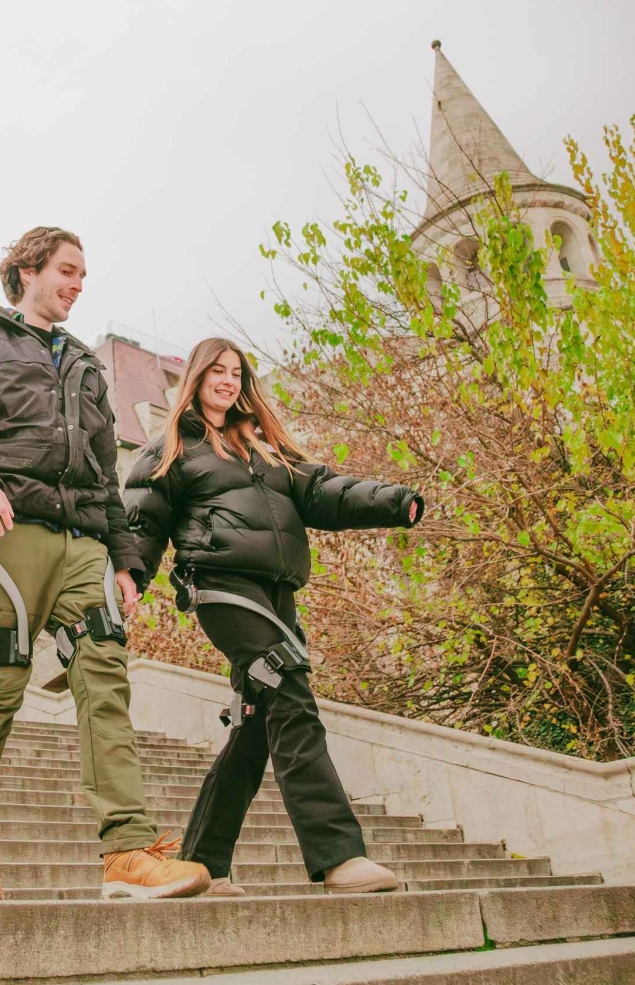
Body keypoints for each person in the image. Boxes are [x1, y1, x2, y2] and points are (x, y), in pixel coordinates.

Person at [0, 225, 210, 902]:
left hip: (83, 541)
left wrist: (126, 560)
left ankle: (129, 851)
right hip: (4, 527)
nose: (79, 284)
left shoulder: (82, 363)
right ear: (27, 269)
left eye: (84, 275)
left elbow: (104, 476)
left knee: (105, 675)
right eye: (68, 271)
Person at [124, 337, 425, 896]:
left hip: (278, 594)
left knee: (257, 723)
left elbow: (324, 491)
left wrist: (391, 500)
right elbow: (141, 519)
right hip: (221, 588)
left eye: (236, 372)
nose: (227, 381)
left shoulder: (265, 449)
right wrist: (128, 576)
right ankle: (340, 855)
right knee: (289, 692)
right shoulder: (173, 448)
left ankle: (204, 864)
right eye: (216, 371)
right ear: (195, 378)